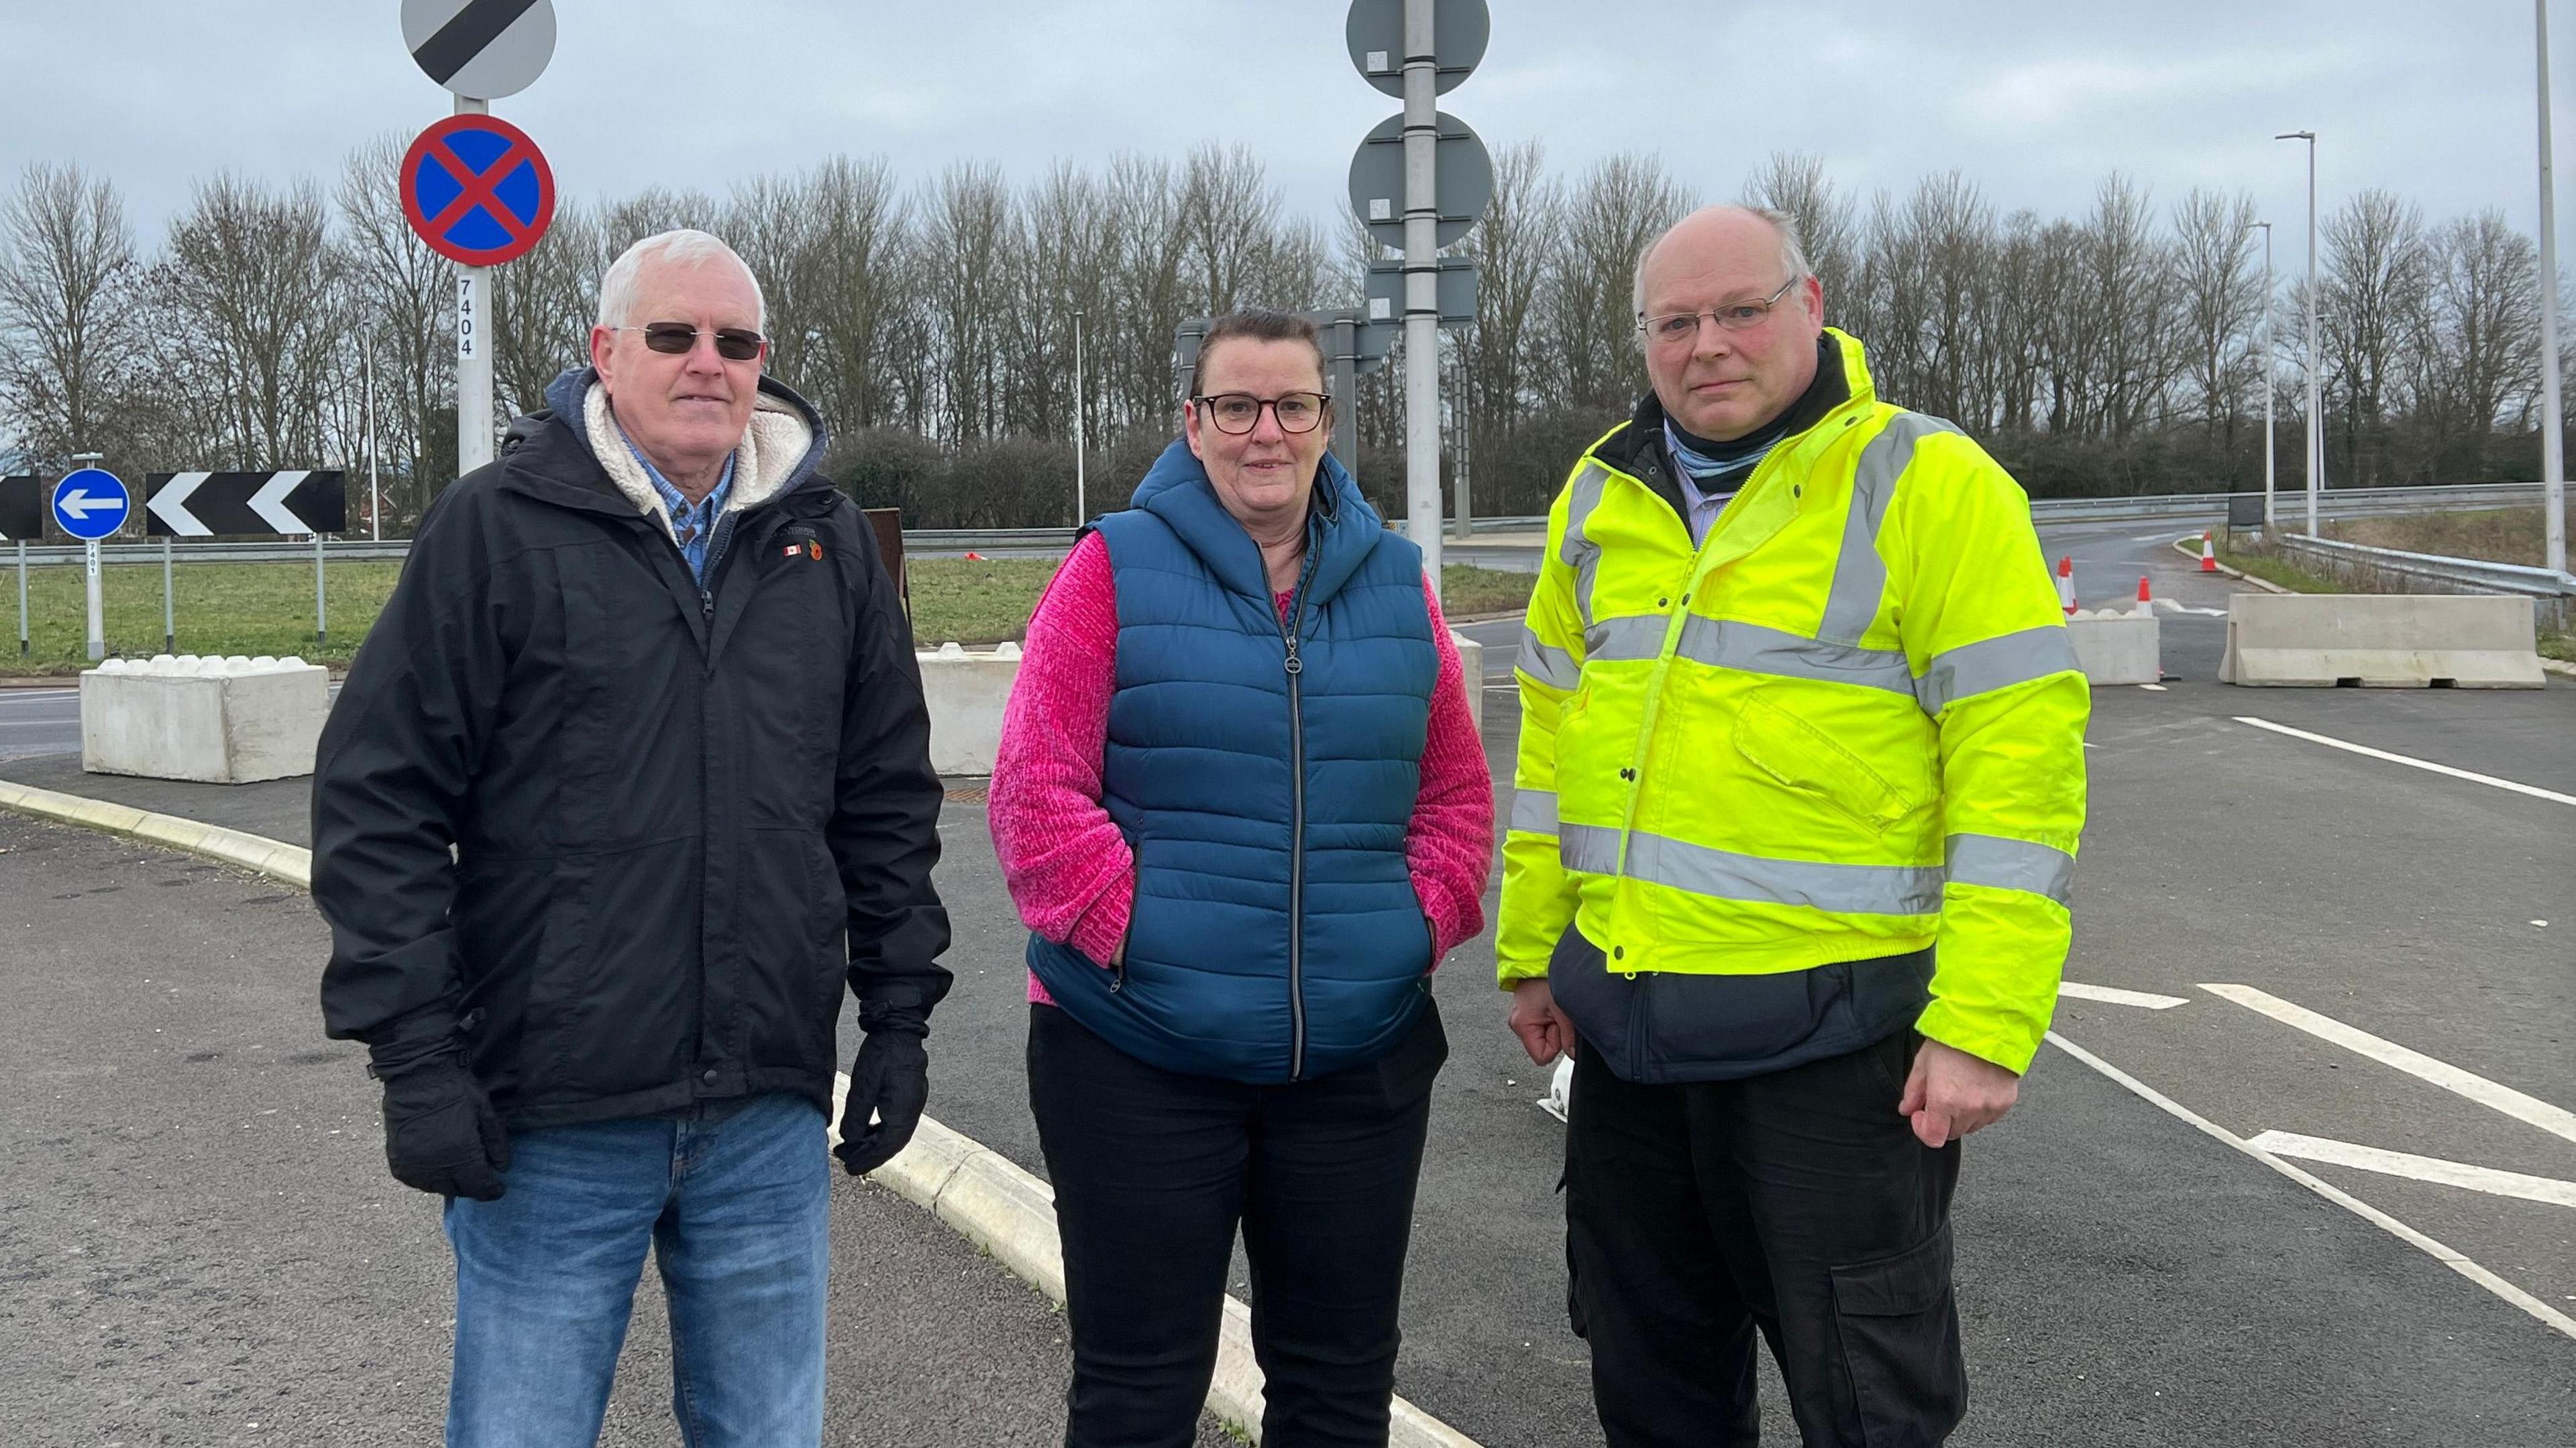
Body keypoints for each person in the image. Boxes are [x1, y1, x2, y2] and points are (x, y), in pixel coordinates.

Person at [312, 228, 950, 1448]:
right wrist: (417, 1058)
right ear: (606, 352)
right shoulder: (496, 529)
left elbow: (881, 800)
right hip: (551, 1112)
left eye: (737, 341)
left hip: (764, 1107)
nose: (708, 362)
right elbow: (379, 802)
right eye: (674, 335)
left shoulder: (825, 549)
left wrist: (903, 1016)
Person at [1498, 206, 2090, 1447]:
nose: (1707, 344)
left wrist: (1986, 1023)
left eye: (1740, 311)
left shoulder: (1927, 482)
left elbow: (2018, 768)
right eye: (1677, 321)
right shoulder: (1600, 499)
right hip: (1630, 1038)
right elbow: (1553, 741)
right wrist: (1532, 950)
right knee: (1651, 1385)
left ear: (1810, 304)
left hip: (1836, 1052)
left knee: (1869, 1401)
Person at [988, 309, 1493, 1448]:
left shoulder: (1399, 583)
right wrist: (1144, 938)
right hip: (1133, 1052)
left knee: (1337, 1385)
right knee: (1138, 1386)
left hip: (1356, 1061)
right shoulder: (1109, 567)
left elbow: (1456, 802)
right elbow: (1032, 798)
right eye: (1237, 406)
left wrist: (1407, 933)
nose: (1266, 432)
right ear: (1195, 423)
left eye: (1293, 406)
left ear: (1327, 421)